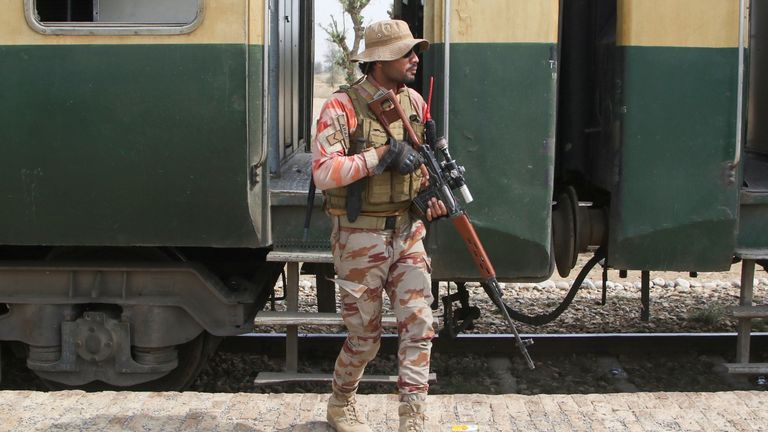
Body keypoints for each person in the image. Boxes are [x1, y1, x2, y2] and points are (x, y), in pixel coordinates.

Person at [311, 19, 447, 432]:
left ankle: (413, 418)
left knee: (420, 325)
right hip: (360, 237)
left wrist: (429, 198)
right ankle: (340, 402)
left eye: (415, 52)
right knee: (365, 339)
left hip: (408, 232)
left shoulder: (415, 104)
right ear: (380, 60)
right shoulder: (342, 106)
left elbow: (422, 167)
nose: (414, 59)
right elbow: (324, 171)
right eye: (407, 52)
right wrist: (382, 155)